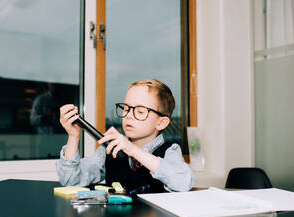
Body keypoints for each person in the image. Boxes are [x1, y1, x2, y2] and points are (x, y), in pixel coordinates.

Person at [55, 78, 194, 193]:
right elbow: (70, 180)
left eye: (140, 111)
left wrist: (133, 150)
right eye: (126, 108)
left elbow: (183, 183)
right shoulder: (110, 149)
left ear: (161, 123)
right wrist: (73, 137)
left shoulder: (170, 151)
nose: (128, 116)